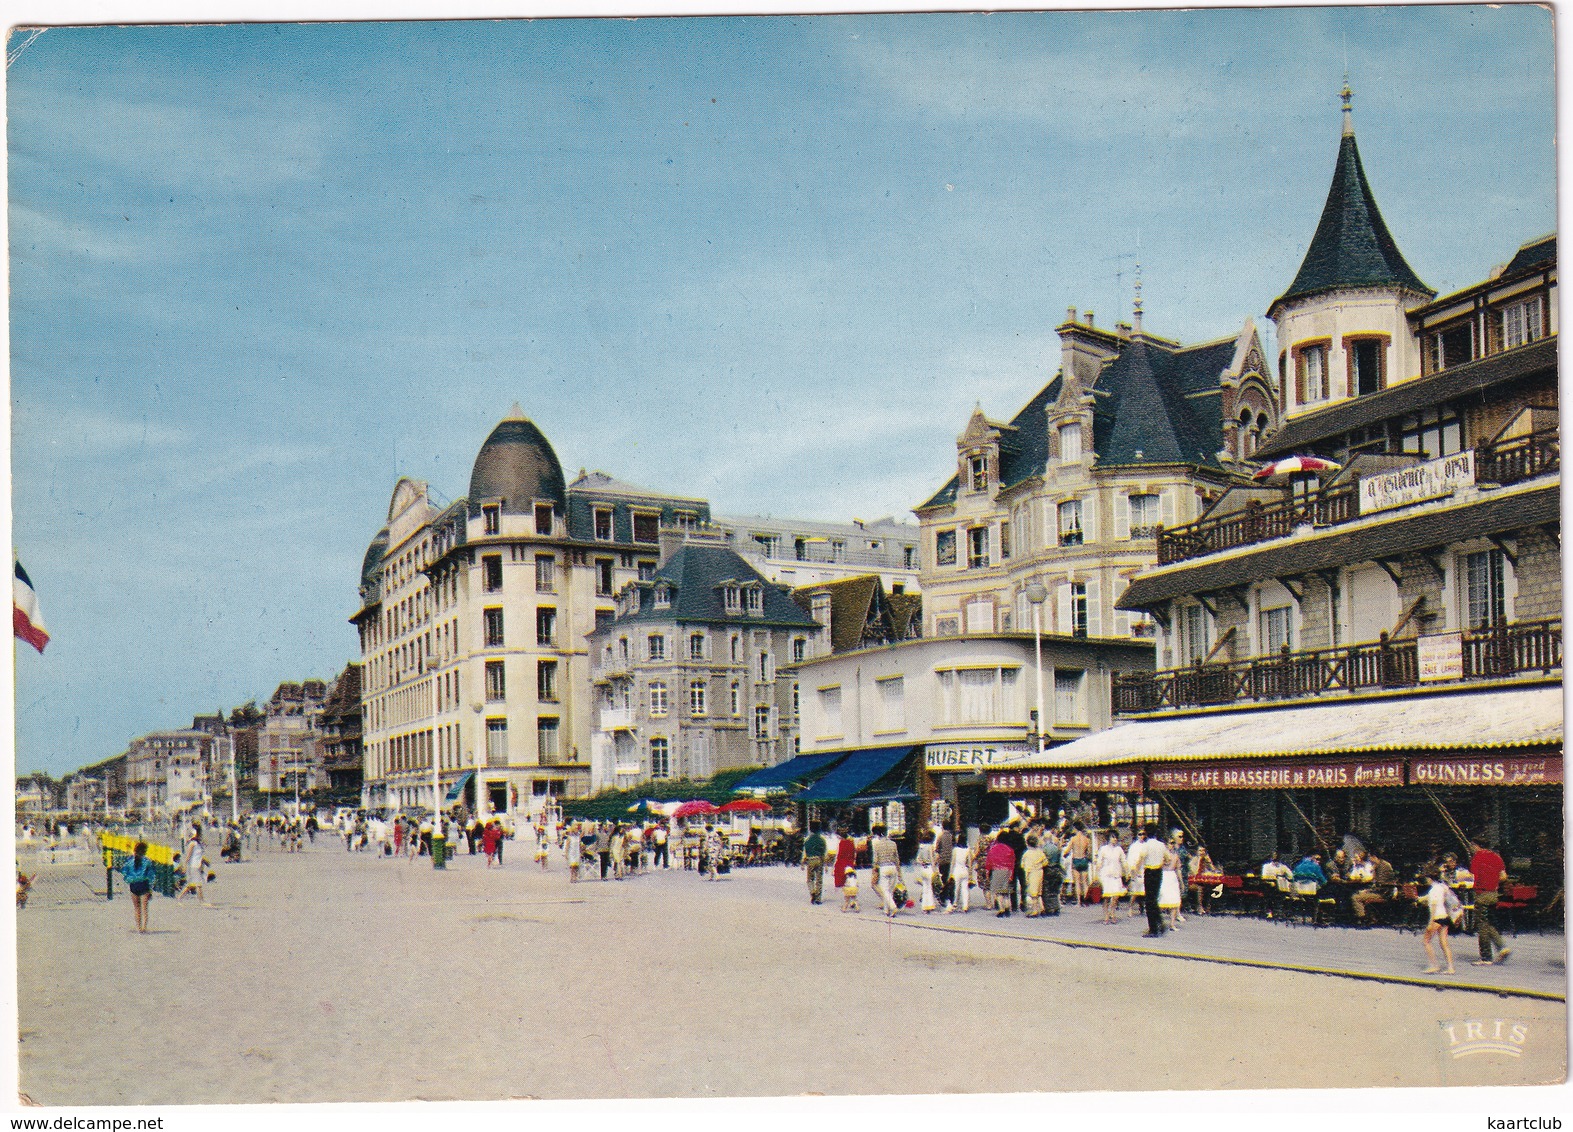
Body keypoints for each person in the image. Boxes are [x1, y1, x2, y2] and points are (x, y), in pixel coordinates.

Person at [1468, 836, 1512, 965]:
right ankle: (1502, 947)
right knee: (1487, 922)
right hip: (1493, 894)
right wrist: (1492, 881)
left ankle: (1486, 957)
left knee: (1481, 925)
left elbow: (1472, 875)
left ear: (1476, 845)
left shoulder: (1478, 857)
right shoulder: (1496, 857)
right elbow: (1504, 876)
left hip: (1482, 894)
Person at [1421, 870, 1459, 975]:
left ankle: (1434, 965)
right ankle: (1450, 967)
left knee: (1426, 941)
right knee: (1444, 943)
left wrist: (1430, 922)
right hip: (1445, 916)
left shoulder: (1433, 890)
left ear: (1430, 878)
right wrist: (1421, 899)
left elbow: (1433, 906)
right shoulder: (1442, 887)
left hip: (1436, 917)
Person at [1136, 825, 1167, 937]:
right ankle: (1159, 922)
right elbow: (1167, 859)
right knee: (1154, 898)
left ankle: (1153, 929)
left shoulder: (1146, 846)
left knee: (1149, 901)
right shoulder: (1161, 845)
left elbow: (1141, 859)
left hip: (1149, 871)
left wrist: (1135, 871)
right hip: (1158, 872)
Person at [1351, 850, 1397, 923]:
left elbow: (1381, 885)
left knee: (1355, 897)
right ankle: (1367, 917)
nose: (1369, 860)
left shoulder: (1383, 866)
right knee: (1359, 894)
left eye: (1370, 857)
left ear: (1374, 857)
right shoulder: (1379, 865)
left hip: (1383, 894)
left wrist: (1368, 890)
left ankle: (1362, 917)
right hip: (1381, 891)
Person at [120, 841, 157, 932]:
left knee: (137, 908)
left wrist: (129, 879)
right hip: (144, 884)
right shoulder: (147, 861)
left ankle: (138, 928)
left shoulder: (129, 861)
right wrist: (151, 887)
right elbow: (151, 875)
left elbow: (124, 872)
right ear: (144, 851)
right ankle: (144, 927)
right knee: (145, 908)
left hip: (133, 885)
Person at [871, 824, 902, 916]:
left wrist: (874, 869)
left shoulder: (878, 845)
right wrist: (899, 872)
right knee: (890, 890)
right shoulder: (893, 844)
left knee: (885, 890)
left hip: (883, 868)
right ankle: (886, 910)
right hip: (893, 867)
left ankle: (893, 907)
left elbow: (876, 860)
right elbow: (897, 859)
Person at [1097, 831, 1127, 924]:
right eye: (1113, 837)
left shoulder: (1119, 849)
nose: (1115, 839)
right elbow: (1099, 862)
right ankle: (1106, 916)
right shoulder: (1103, 849)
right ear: (1108, 838)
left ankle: (1113, 913)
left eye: (1115, 837)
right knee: (1106, 897)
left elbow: (1123, 861)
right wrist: (1097, 873)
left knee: (1115, 896)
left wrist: (1127, 872)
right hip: (1106, 875)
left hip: (1116, 875)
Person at [985, 830, 1016, 918]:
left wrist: (988, 872)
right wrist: (1011, 875)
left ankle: (1001, 909)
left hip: (997, 871)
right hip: (1007, 872)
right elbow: (1012, 863)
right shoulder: (1010, 850)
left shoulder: (993, 849)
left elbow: (989, 861)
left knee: (998, 893)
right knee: (1005, 892)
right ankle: (1007, 908)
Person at [177, 829, 211, 906]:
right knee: (198, 884)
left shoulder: (198, 844)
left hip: (198, 866)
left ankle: (179, 898)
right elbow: (188, 856)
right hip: (193, 866)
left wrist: (205, 862)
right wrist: (185, 866)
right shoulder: (192, 844)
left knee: (191, 884)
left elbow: (200, 855)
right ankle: (202, 901)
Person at [1020, 835, 1047, 917]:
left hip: (1032, 873)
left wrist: (1026, 878)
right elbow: (1045, 862)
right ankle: (1042, 908)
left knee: (1033, 894)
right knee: (1039, 892)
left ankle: (1035, 910)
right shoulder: (1040, 852)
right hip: (1039, 872)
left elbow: (1024, 866)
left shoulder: (1027, 854)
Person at [1067, 823, 1092, 906]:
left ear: (1075, 828)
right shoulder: (1086, 839)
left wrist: (1064, 854)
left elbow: (1067, 850)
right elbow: (1089, 852)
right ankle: (1085, 901)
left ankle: (1078, 902)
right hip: (1084, 859)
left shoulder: (1073, 839)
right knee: (1085, 882)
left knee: (1077, 882)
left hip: (1076, 860)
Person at [802, 821, 827, 905]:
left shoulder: (807, 839)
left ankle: (812, 892)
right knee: (819, 880)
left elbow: (804, 852)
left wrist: (802, 862)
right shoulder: (822, 839)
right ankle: (818, 898)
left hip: (810, 860)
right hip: (819, 859)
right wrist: (826, 864)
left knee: (810, 879)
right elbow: (825, 852)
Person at [833, 828, 858, 893]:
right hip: (850, 864)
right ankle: (852, 899)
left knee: (843, 883)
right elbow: (854, 853)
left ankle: (847, 899)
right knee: (850, 881)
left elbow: (837, 855)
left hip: (841, 865)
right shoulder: (851, 842)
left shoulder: (840, 843)